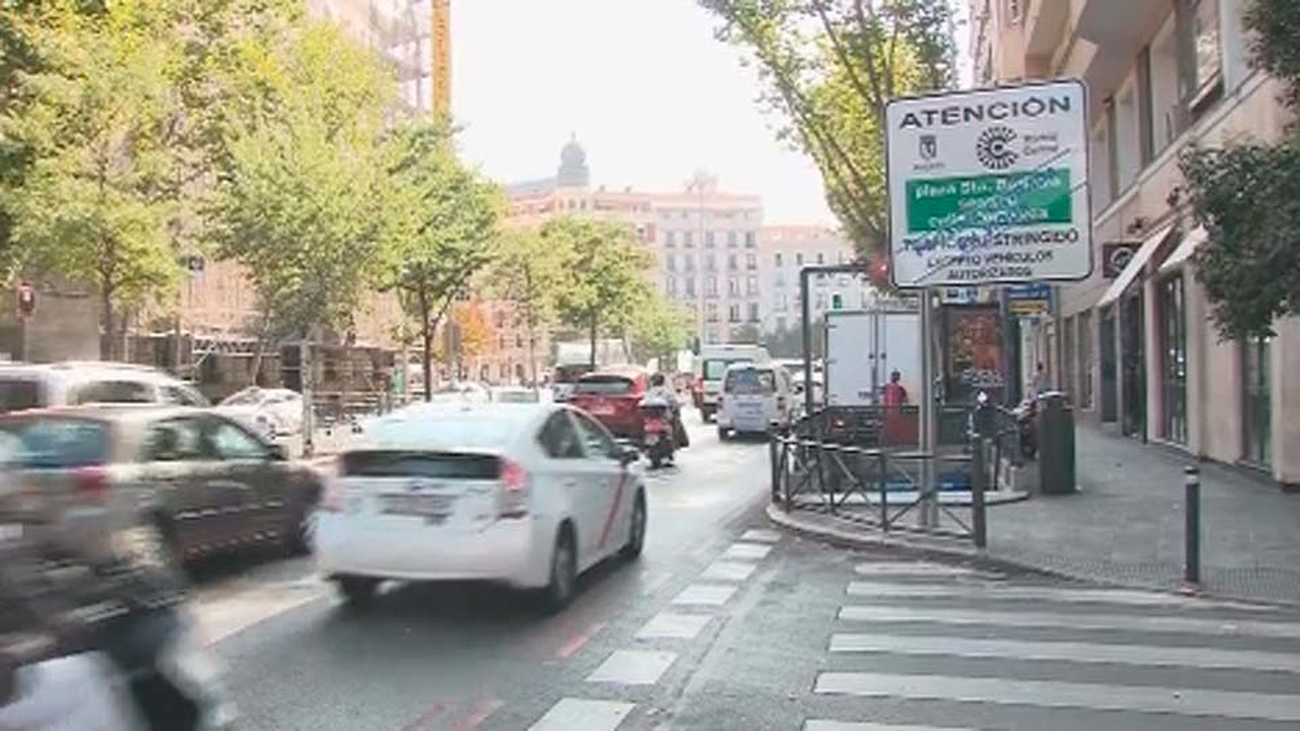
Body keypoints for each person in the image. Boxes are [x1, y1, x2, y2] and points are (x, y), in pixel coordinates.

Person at [645, 373, 689, 448]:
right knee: (676, 421)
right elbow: (674, 403)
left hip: (652, 418)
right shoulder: (666, 392)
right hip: (664, 417)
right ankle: (678, 442)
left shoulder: (649, 393)